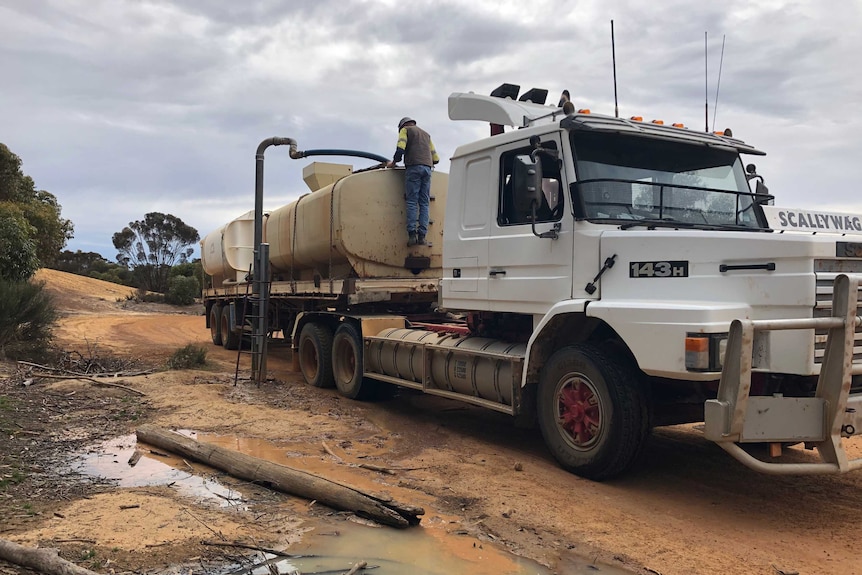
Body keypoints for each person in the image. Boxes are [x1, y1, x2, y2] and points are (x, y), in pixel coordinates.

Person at [386, 117, 439, 246]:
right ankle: (422, 236)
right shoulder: (426, 135)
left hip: (414, 167)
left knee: (412, 201)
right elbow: (436, 159)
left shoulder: (405, 130)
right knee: (424, 202)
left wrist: (393, 163)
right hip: (427, 169)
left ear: (402, 126)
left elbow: (400, 149)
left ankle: (411, 235)